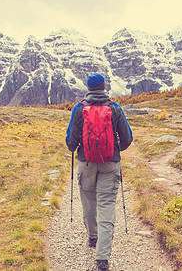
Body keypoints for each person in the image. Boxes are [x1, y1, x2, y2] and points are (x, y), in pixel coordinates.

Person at [66, 73, 133, 270]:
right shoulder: (115, 108)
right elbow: (128, 139)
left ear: (88, 88)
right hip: (110, 163)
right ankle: (102, 257)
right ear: (104, 87)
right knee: (107, 205)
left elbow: (71, 143)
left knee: (88, 201)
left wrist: (78, 146)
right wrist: (115, 149)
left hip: (86, 163)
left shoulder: (79, 108)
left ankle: (93, 237)